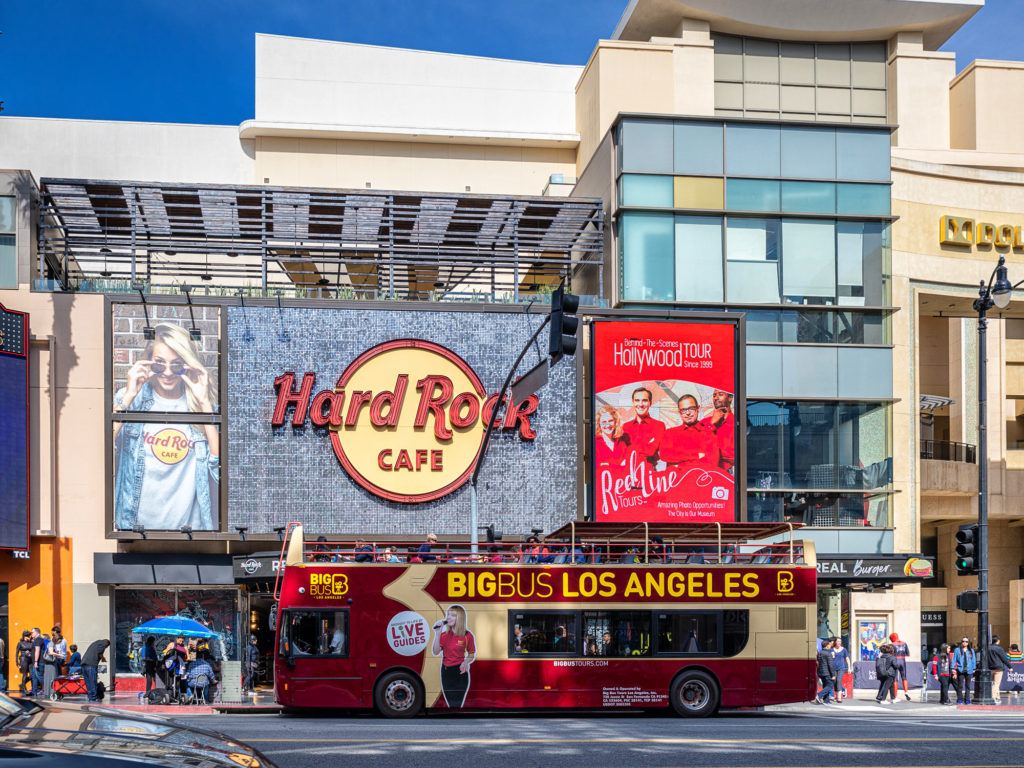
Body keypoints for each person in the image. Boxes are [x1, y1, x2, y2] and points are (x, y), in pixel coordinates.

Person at [113, 322, 219, 531]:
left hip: (189, 531)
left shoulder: (201, 406)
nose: (168, 372)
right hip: (136, 527)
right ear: (148, 362)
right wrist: (129, 395)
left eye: (177, 365)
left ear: (187, 365)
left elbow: (219, 470)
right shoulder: (130, 400)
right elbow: (103, 451)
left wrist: (205, 403)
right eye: (159, 364)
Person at [432, 604, 475, 708]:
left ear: (459, 618)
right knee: (451, 704)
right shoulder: (443, 635)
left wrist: (466, 662)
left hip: (460, 672)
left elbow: (471, 654)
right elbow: (435, 651)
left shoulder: (467, 635)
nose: (448, 617)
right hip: (446, 672)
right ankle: (454, 722)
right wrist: (437, 634)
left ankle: (457, 722)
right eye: (448, 615)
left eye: (452, 615)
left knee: (457, 703)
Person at [659, 395, 719, 468]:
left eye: (691, 408)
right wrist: (696, 455)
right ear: (679, 412)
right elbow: (664, 455)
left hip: (700, 478)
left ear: (698, 409)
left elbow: (712, 462)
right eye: (683, 410)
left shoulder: (708, 432)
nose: (688, 413)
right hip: (678, 479)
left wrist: (679, 465)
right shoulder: (670, 433)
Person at [620, 387, 665, 466]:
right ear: (633, 402)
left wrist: (631, 450)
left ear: (650, 403)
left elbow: (651, 451)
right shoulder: (625, 427)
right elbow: (622, 452)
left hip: (651, 471)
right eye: (637, 400)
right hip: (628, 472)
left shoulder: (659, 426)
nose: (640, 404)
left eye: (644, 400)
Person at [700, 389, 735, 472]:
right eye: (714, 395)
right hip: (704, 470)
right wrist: (711, 423)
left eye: (720, 394)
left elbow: (735, 455)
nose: (716, 397)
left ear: (730, 398)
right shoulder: (704, 422)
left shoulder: (735, 424)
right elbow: (698, 446)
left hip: (726, 471)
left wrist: (711, 453)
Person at [43, 627, 68, 698]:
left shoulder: (52, 643)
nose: (60, 642)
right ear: (57, 639)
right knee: (52, 677)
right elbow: (51, 653)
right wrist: (60, 655)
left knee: (50, 677)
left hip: (50, 664)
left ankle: (49, 692)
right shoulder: (52, 644)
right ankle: (51, 692)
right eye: (60, 641)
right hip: (51, 664)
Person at [988, 635, 1013, 701]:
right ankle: (993, 697)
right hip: (998, 668)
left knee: (993, 683)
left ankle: (998, 697)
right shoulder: (999, 648)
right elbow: (1004, 658)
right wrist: (1009, 666)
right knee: (996, 684)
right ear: (998, 641)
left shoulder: (988, 648)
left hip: (990, 667)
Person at [953, 636, 977, 704]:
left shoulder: (971, 650)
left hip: (969, 670)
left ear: (968, 643)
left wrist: (974, 668)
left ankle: (967, 699)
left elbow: (973, 660)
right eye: (963, 641)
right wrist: (953, 668)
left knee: (968, 686)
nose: (964, 643)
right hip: (960, 669)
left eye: (966, 641)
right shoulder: (957, 650)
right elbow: (954, 659)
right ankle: (960, 699)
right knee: (960, 685)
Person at [890, 632, 911, 701]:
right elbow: (908, 654)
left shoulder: (892, 644)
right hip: (902, 661)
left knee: (895, 678)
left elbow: (890, 654)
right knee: (904, 677)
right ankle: (906, 692)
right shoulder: (904, 643)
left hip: (895, 661)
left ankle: (895, 695)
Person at [814, 638, 836, 704]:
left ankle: (826, 700)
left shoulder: (819, 653)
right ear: (827, 646)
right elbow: (830, 665)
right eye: (829, 645)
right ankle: (819, 695)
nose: (830, 646)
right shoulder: (828, 653)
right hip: (827, 672)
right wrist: (833, 675)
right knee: (830, 685)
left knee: (825, 685)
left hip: (821, 672)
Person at [831, 637, 851, 702]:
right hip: (833, 668)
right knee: (835, 681)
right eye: (838, 641)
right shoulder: (831, 649)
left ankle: (839, 698)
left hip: (841, 668)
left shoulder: (844, 650)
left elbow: (847, 658)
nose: (839, 642)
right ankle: (836, 696)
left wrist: (849, 667)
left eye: (840, 641)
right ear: (835, 642)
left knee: (839, 681)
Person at [139, 636, 157, 702]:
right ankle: (150, 693)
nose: (154, 643)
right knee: (153, 679)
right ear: (152, 641)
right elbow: (145, 658)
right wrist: (152, 660)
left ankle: (149, 692)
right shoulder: (146, 647)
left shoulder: (148, 647)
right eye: (154, 641)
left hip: (150, 664)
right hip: (150, 664)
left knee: (151, 680)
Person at [30, 628, 45, 697]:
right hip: (36, 662)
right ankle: (34, 692)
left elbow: (37, 651)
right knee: (34, 677)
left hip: (39, 662)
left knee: (39, 676)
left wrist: (36, 662)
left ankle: (51, 688)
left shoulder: (38, 640)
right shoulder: (37, 640)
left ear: (36, 633)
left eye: (32, 632)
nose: (31, 634)